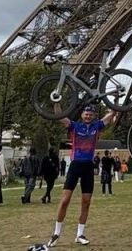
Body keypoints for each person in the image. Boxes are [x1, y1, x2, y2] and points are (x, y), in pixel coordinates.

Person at [46, 105, 118, 247]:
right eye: (86, 114)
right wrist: (56, 101)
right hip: (75, 165)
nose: (88, 116)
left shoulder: (97, 126)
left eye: (90, 114)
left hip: (88, 167)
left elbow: (110, 116)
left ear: (93, 116)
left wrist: (115, 105)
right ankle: (56, 233)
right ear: (82, 115)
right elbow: (60, 116)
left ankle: (80, 234)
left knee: (86, 202)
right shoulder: (74, 126)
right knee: (65, 200)